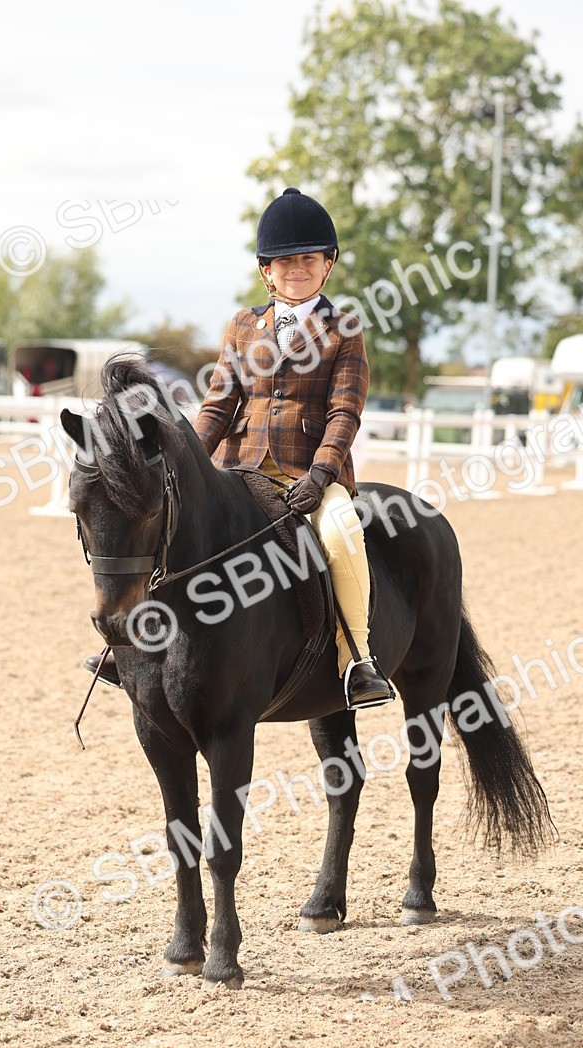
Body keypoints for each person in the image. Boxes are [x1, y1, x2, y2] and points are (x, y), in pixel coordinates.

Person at [84, 187, 393, 709]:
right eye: (285, 262)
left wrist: (321, 475)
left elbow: (345, 413)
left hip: (307, 473)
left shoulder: (344, 330)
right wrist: (183, 459)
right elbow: (218, 406)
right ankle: (131, 646)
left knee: (342, 533)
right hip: (237, 466)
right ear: (266, 271)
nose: (296, 269)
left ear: (328, 264)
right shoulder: (243, 326)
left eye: (308, 260)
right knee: (166, 524)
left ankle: (356, 658)